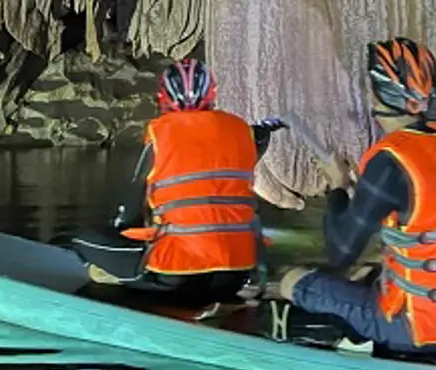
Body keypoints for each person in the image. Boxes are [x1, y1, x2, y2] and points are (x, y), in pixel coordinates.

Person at [274, 37, 436, 352]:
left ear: (375, 93)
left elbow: (340, 250)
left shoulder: (391, 163)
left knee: (294, 280)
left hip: (424, 331)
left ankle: (355, 348)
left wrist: (338, 186)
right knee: (369, 273)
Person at [67, 57, 285, 302]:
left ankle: (115, 289)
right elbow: (257, 140)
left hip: (176, 275)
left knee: (79, 239)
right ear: (212, 94)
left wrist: (120, 232)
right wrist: (268, 127)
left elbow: (129, 212)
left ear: (163, 97)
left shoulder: (161, 136)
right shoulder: (243, 132)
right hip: (235, 275)